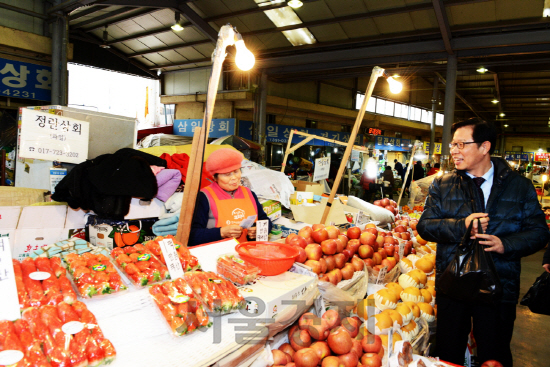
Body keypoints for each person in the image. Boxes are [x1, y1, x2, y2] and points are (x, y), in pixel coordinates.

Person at [417, 118, 550, 367]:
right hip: (452, 283)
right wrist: (462, 226)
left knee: (494, 355)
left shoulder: (519, 187)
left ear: (484, 146)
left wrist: (505, 245)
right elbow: (425, 226)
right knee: (447, 353)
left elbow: (539, 232)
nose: (453, 150)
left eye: (460, 144)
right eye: (452, 144)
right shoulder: (443, 184)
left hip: (498, 286)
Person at [189, 148, 272, 246]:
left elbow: (265, 220)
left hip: (246, 252)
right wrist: (221, 232)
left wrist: (260, 229)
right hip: (218, 255)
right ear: (215, 178)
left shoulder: (249, 193)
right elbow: (192, 236)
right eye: (227, 174)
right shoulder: (204, 197)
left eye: (236, 172)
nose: (234, 178)